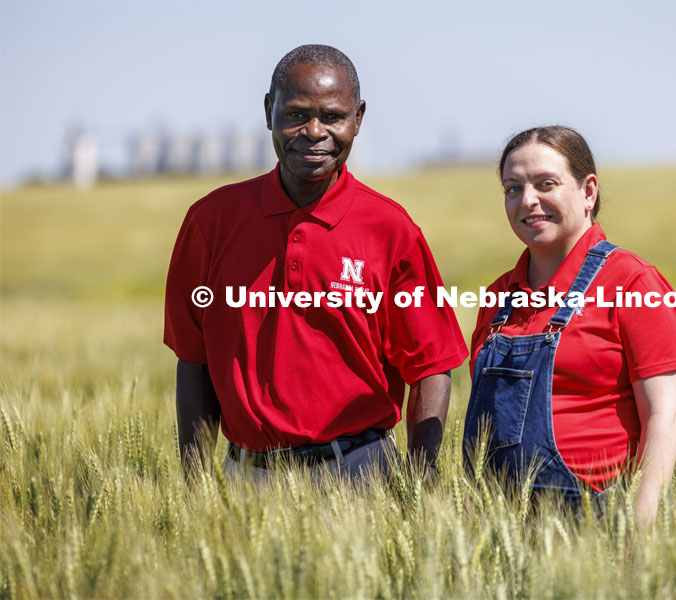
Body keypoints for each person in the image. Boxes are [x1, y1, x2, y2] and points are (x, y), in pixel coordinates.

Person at [164, 45, 468, 481]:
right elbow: (193, 360)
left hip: (363, 474)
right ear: (269, 110)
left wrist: (420, 480)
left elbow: (431, 365)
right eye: (295, 114)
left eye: (332, 117)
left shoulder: (391, 229)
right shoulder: (211, 221)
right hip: (248, 476)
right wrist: (191, 491)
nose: (313, 131)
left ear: (358, 118)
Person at [464, 126, 676, 525]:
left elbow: (664, 417)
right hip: (501, 527)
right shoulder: (498, 297)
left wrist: (636, 534)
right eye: (512, 188)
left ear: (588, 191)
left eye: (546, 184)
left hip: (598, 523)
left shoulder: (633, 282)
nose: (528, 201)